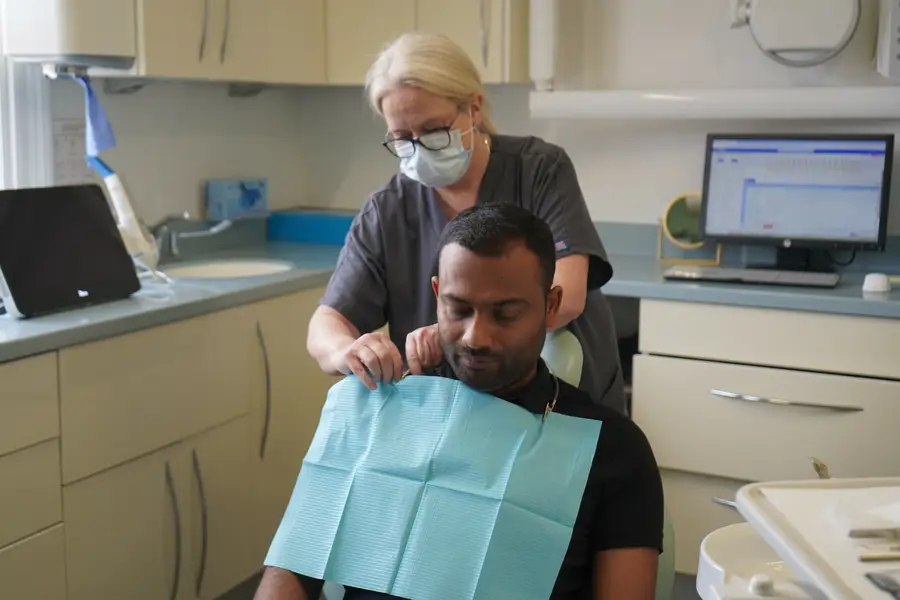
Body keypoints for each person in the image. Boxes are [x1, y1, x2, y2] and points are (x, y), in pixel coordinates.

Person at [255, 204, 664, 600]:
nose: (475, 337)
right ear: (437, 294)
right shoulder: (377, 409)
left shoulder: (611, 449)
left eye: (504, 314)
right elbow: (296, 563)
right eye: (459, 308)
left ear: (551, 305)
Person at [307, 32, 627, 413]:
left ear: (473, 109)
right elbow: (325, 325)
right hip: (452, 413)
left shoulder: (539, 170)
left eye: (434, 131)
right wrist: (349, 350)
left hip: (554, 400)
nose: (419, 148)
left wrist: (451, 335)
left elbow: (567, 296)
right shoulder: (389, 211)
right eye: (402, 138)